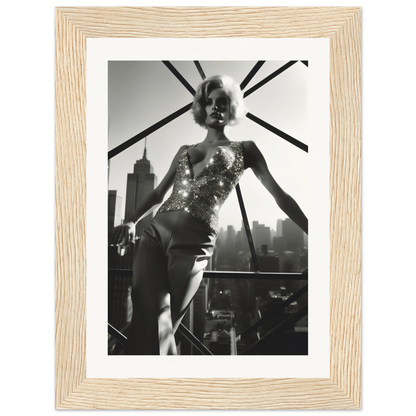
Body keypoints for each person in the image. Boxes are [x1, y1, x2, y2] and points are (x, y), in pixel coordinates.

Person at [110, 75, 308, 355]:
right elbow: (158, 195)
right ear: (201, 108)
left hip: (195, 239)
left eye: (222, 102)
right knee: (145, 315)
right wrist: (131, 220)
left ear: (233, 107)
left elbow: (281, 196)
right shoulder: (184, 150)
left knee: (162, 325)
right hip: (154, 233)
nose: (215, 107)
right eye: (208, 102)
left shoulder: (245, 149)